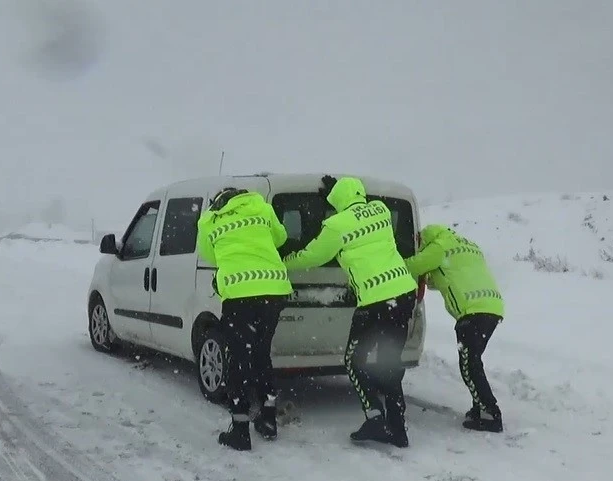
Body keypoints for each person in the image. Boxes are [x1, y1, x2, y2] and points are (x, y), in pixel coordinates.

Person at [282, 175, 418, 448]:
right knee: (389, 363)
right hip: (403, 295)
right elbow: (358, 215)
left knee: (354, 361)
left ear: (337, 201)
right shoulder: (379, 210)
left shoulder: (336, 225)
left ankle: (375, 418)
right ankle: (398, 430)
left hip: (375, 302)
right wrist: (340, 192)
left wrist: (285, 260)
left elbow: (313, 256)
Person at [196, 187, 294, 451]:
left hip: (240, 295)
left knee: (238, 359)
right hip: (273, 292)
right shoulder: (261, 207)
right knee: (261, 354)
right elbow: (281, 237)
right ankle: (268, 418)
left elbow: (209, 254)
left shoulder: (209, 220)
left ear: (217, 201)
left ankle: (240, 430)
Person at [404, 224, 505, 433]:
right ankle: (480, 407)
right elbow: (446, 275)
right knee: (473, 361)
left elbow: (412, 267)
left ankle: (490, 413)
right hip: (492, 308)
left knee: (469, 364)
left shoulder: (438, 247)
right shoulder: (468, 245)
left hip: (472, 311)